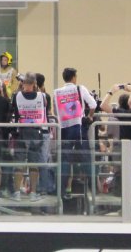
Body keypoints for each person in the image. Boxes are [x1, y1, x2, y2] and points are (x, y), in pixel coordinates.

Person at [53, 67, 97, 197]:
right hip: (79, 128)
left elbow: (55, 111)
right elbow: (93, 104)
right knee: (86, 159)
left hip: (64, 129)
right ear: (73, 77)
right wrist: (89, 117)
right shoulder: (79, 88)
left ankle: (61, 190)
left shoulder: (57, 92)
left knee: (65, 160)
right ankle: (93, 188)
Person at [10, 72, 50, 201]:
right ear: (34, 84)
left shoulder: (16, 96)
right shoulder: (43, 96)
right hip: (36, 132)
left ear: (23, 83)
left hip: (21, 132)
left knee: (19, 164)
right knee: (34, 164)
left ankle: (17, 193)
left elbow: (14, 112)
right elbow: (46, 110)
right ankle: (33, 193)